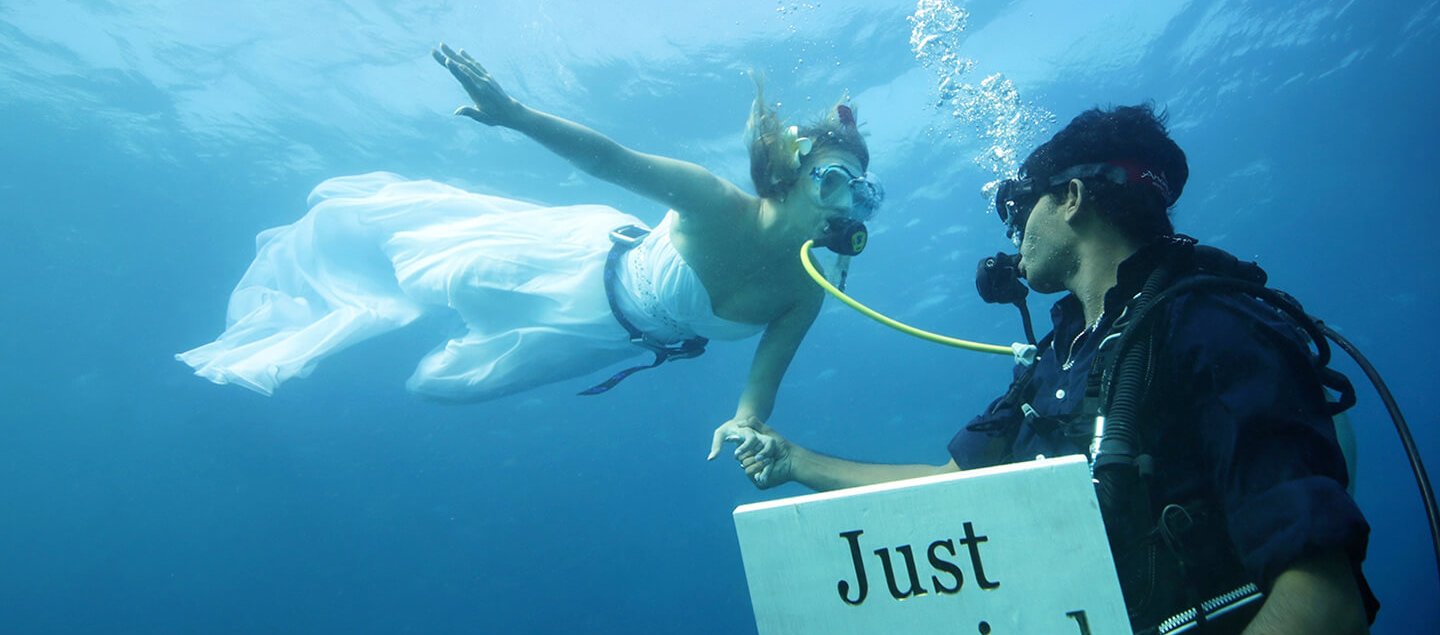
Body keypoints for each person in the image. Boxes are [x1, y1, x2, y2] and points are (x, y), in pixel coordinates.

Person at [712, 104, 1378, 633]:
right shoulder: (1057, 357)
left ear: (1072, 198)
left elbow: (1325, 600)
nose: (1012, 235)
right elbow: (948, 488)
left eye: (1021, 208)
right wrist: (793, 460)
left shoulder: (1212, 327)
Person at [177, 42, 883, 441]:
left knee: (441, 387)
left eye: (862, 191)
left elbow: (758, 391)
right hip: (578, 264)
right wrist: (514, 115)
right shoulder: (712, 200)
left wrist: (745, 426)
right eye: (831, 181)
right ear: (786, 178)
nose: (847, 203)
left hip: (619, 340)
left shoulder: (803, 292)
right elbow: (611, 159)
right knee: (417, 263)